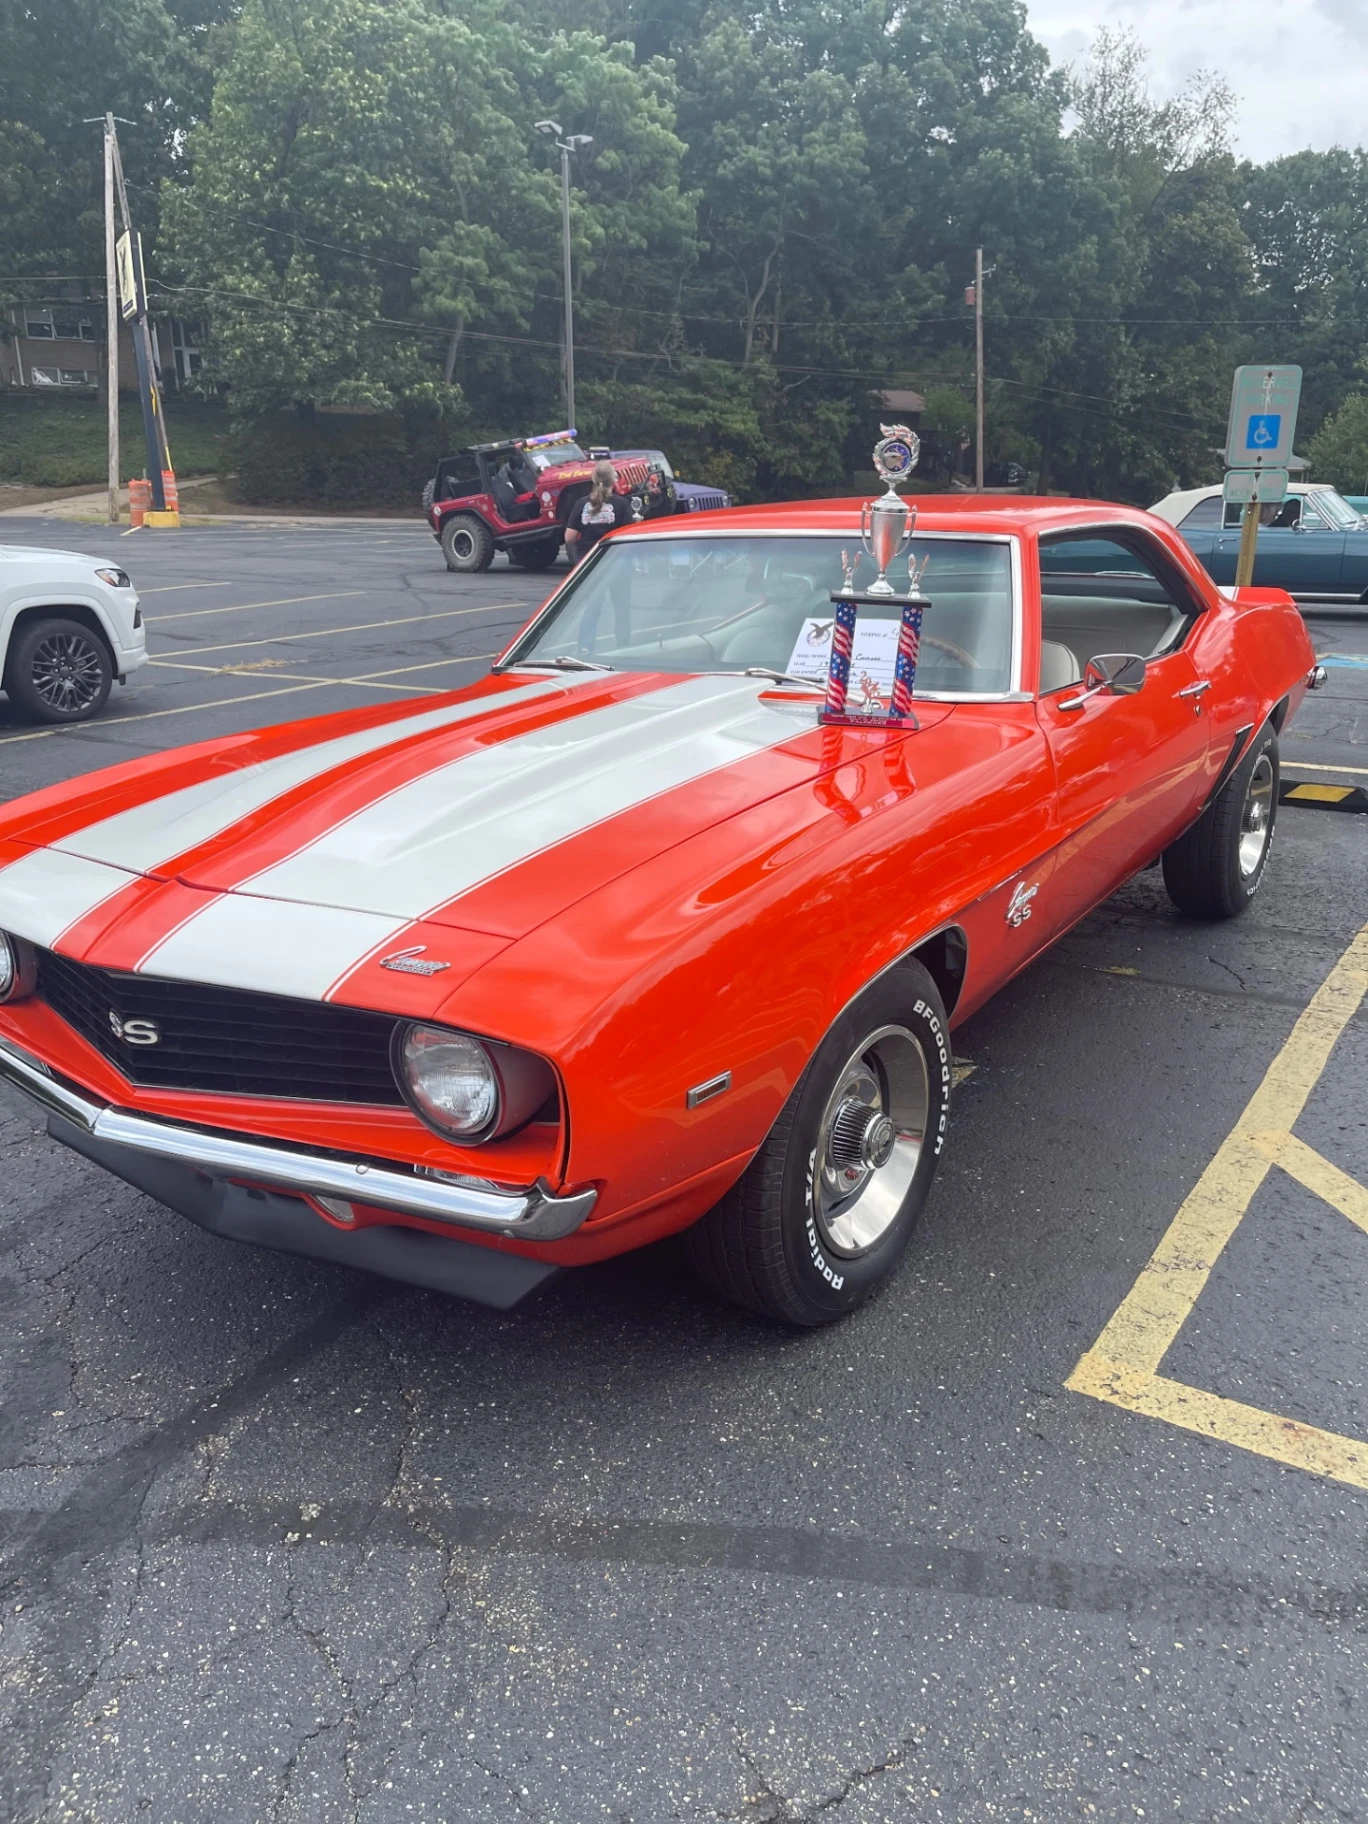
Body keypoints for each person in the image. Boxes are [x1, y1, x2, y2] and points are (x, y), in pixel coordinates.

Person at [564, 460, 632, 564]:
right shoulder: (622, 504)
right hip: (615, 559)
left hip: (586, 559)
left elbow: (569, 538)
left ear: (593, 479)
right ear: (613, 480)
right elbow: (628, 536)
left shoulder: (581, 503)